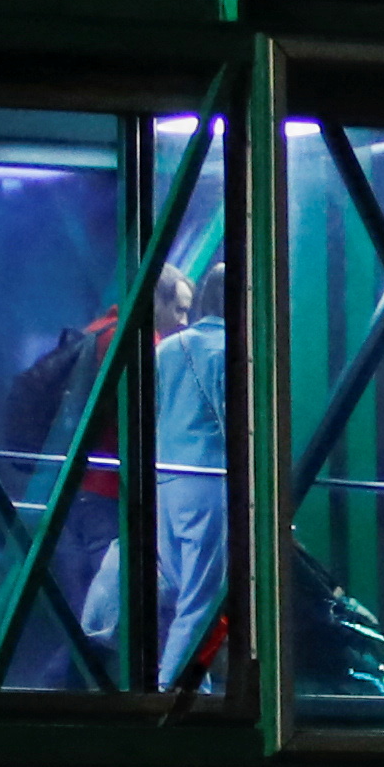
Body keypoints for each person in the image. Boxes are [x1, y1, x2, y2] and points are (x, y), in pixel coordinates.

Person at [150, 266, 230, 693]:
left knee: (181, 590)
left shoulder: (168, 349)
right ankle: (171, 689)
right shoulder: (228, 351)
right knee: (203, 595)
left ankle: (191, 686)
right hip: (209, 481)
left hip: (165, 481)